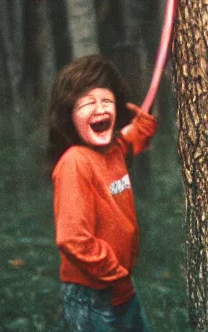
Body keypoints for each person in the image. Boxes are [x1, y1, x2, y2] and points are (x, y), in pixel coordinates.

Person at [46, 54, 157, 332]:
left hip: (120, 291)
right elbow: (73, 239)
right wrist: (116, 275)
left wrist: (130, 111)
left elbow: (141, 131)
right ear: (68, 115)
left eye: (106, 101)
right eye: (86, 103)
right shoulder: (75, 163)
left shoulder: (114, 150)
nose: (100, 109)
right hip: (92, 297)